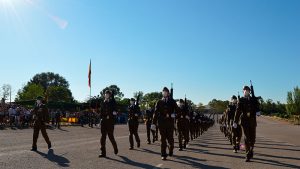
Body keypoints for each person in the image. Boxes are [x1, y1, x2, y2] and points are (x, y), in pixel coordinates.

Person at [233, 86, 260, 162]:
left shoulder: (253, 99)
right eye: (244, 90)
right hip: (244, 121)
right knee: (246, 138)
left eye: (247, 90)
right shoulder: (241, 100)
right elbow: (237, 111)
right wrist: (235, 121)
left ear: (249, 91)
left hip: (252, 121)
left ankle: (251, 149)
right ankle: (247, 154)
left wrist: (258, 110)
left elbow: (257, 108)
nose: (246, 91)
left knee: (253, 139)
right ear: (243, 91)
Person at [151, 87, 179, 160]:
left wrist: (173, 115)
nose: (164, 93)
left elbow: (178, 111)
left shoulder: (172, 101)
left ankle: (171, 148)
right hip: (161, 123)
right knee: (163, 139)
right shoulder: (159, 101)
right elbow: (155, 113)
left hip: (170, 123)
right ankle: (163, 154)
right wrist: (153, 123)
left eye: (166, 92)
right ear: (162, 93)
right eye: (163, 92)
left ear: (168, 93)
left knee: (170, 140)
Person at [98, 90, 118, 158]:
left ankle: (115, 147)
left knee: (110, 137)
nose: (106, 95)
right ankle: (103, 152)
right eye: (105, 94)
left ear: (109, 95)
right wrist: (100, 120)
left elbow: (115, 111)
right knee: (103, 137)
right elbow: (101, 113)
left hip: (110, 122)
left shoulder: (112, 102)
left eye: (107, 94)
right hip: (103, 121)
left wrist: (113, 114)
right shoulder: (102, 102)